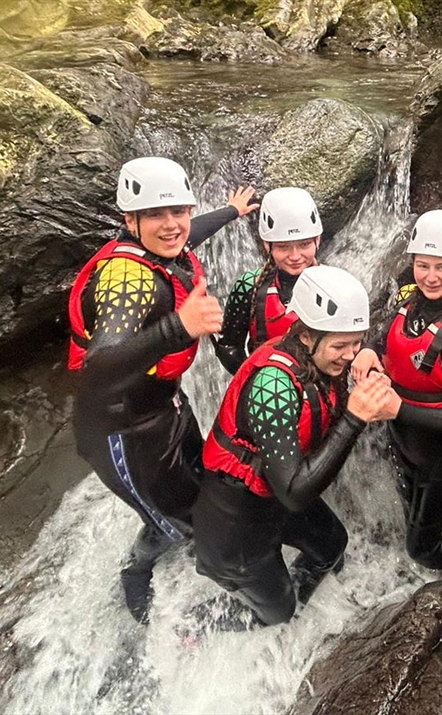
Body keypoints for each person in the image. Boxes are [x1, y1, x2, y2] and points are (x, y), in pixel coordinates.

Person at [67, 156, 258, 623]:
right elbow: (97, 372)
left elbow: (184, 236)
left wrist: (230, 211)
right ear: (129, 221)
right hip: (120, 431)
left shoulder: (162, 246)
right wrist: (180, 326)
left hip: (164, 405)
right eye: (156, 214)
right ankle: (137, 568)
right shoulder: (127, 280)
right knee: (175, 522)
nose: (172, 225)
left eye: (180, 210)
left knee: (199, 485)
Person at [194, 266, 399, 627]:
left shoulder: (317, 359)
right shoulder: (273, 385)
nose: (350, 356)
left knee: (332, 545)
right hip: (236, 518)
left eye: (357, 342)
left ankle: (292, 600)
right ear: (306, 335)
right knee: (278, 612)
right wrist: (354, 417)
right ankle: (199, 624)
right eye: (340, 346)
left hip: (272, 496)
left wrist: (366, 354)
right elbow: (294, 494)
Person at [352, 209, 442, 582]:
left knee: (420, 545)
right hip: (401, 441)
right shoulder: (405, 296)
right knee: (411, 516)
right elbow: (383, 336)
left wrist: (399, 408)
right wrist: (368, 348)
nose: (431, 277)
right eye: (423, 265)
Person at [215, 187, 324, 375]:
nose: (295, 256)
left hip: (319, 392)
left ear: (318, 240)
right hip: (266, 391)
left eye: (304, 244)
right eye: (283, 247)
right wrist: (252, 381)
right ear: (267, 245)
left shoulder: (335, 286)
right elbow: (229, 347)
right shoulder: (249, 286)